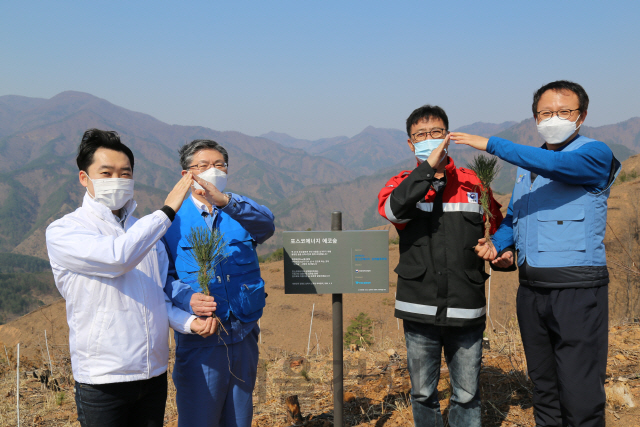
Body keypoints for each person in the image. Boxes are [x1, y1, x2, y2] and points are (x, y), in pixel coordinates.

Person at [452, 80, 621, 427]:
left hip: (577, 290)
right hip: (531, 290)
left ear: (582, 115)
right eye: (546, 112)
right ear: (535, 118)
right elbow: (516, 216)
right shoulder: (528, 169)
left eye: (564, 111)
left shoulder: (594, 153)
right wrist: (501, 245)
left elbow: (558, 166)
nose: (554, 118)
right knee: (543, 388)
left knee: (580, 391)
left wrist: (494, 144)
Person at [46, 129, 217, 427]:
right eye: (106, 172)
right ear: (84, 178)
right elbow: (117, 258)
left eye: (124, 173)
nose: (117, 179)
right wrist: (167, 210)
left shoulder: (145, 231)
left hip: (152, 373)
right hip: (103, 379)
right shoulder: (65, 231)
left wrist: (189, 323)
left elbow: (156, 296)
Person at [377, 105, 503, 427]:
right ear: (410, 144)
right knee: (422, 393)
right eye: (421, 135)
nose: (429, 139)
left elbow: (499, 230)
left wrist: (501, 252)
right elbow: (393, 211)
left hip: (466, 304)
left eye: (436, 133)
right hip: (419, 306)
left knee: (467, 393)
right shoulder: (401, 184)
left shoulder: (473, 183)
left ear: (448, 136)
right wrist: (429, 170)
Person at [163, 139, 275, 427]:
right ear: (185, 174)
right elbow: (163, 279)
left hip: (244, 329)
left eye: (218, 165)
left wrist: (225, 202)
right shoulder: (170, 222)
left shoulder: (239, 212)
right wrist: (187, 299)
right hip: (202, 335)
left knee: (239, 416)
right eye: (202, 166)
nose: (212, 171)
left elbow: (267, 226)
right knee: (200, 416)